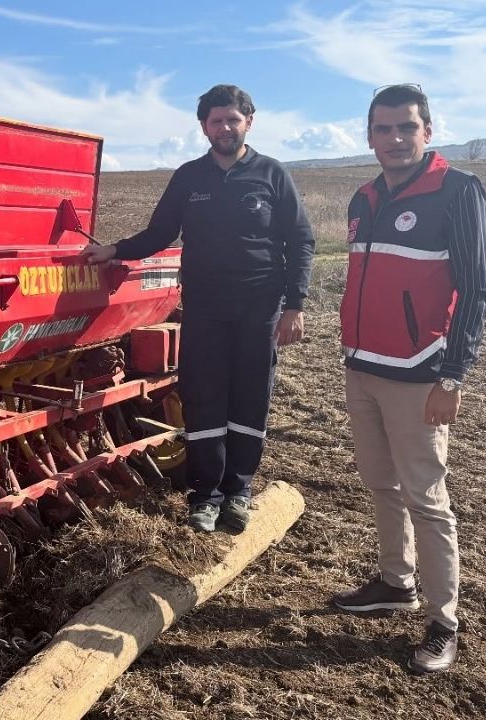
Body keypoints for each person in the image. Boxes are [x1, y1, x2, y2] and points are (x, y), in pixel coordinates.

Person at [81, 84, 314, 534]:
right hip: (204, 308)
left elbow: (300, 242)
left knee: (249, 396)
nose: (224, 128)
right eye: (216, 121)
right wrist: (114, 250)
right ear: (204, 126)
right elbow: (160, 233)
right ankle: (204, 495)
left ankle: (238, 492)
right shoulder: (190, 177)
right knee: (203, 396)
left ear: (249, 121)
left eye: (233, 119)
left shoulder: (272, 174)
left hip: (260, 308)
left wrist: (295, 305)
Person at [332, 83, 486, 674]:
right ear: (370, 135)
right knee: (380, 483)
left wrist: (454, 375)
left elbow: (476, 289)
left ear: (428, 131)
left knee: (427, 497)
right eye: (383, 129)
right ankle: (395, 583)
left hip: (421, 374)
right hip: (363, 368)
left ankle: (443, 620)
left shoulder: (457, 191)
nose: (395, 139)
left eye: (407, 128)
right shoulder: (364, 197)